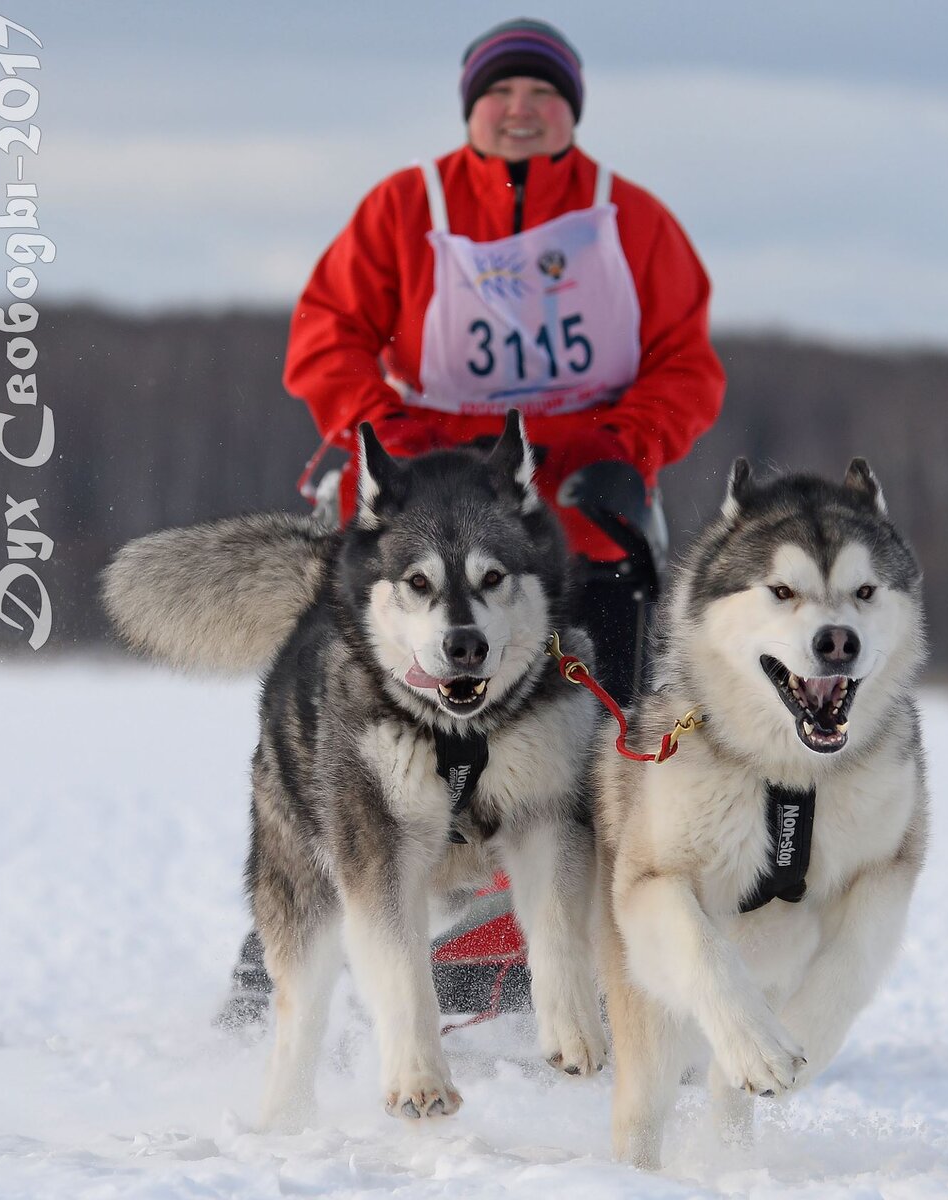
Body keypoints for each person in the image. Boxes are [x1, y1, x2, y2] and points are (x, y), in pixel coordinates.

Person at [219, 17, 725, 1030]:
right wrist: (389, 439)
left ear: (571, 110)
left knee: (596, 749)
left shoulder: (633, 220)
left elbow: (687, 360)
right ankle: (287, 938)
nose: (522, 111)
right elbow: (328, 337)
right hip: (422, 514)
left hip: (582, 514)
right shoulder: (411, 206)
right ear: (471, 106)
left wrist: (623, 446)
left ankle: (530, 956)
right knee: (357, 742)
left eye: (544, 95)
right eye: (502, 94)